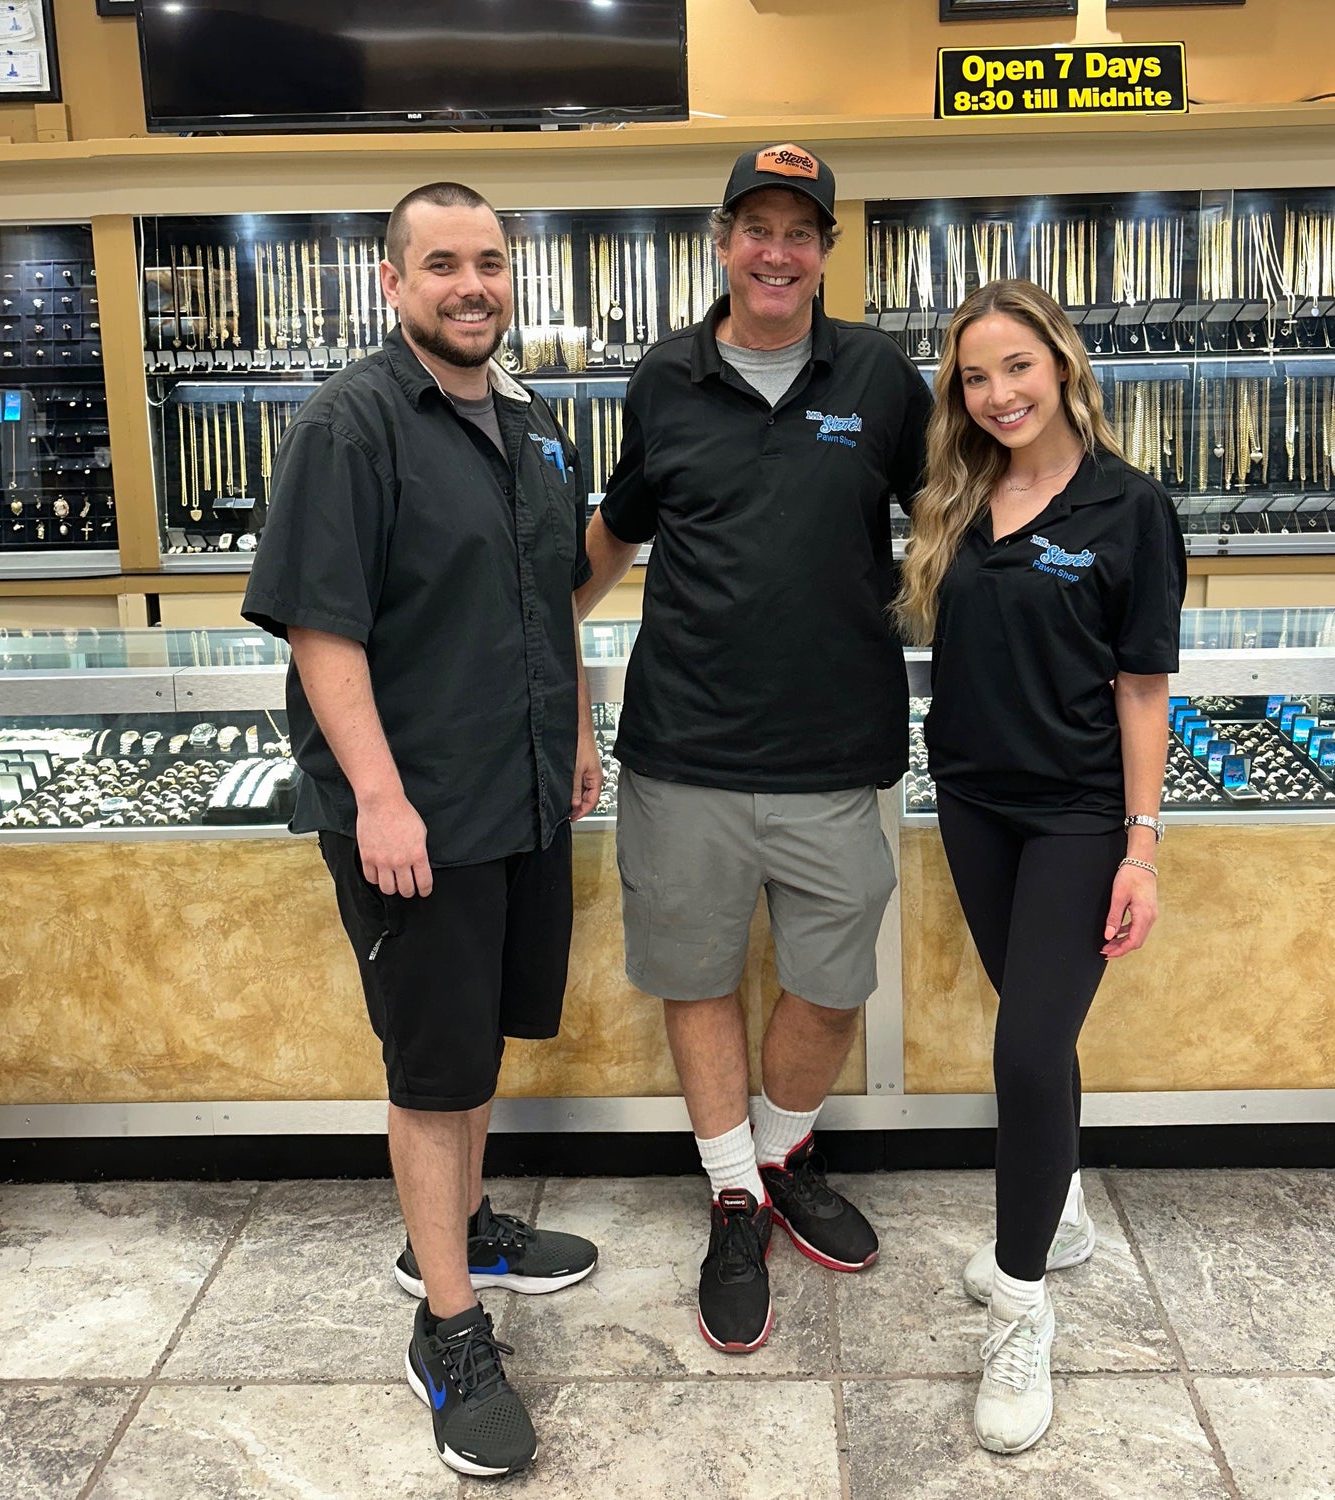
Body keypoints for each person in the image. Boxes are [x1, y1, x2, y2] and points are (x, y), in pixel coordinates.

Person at [241, 181, 602, 1480]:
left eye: (491, 263)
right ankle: (447, 1323)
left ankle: (454, 1224)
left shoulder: (531, 421)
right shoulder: (353, 426)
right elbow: (324, 629)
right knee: (430, 1069)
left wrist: (574, 728)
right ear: (394, 284)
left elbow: (555, 591)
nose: (472, 286)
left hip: (516, 796)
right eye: (441, 264)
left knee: (478, 1043)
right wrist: (382, 796)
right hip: (418, 814)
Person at [576, 144, 933, 1353]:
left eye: (800, 231)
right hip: (684, 752)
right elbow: (618, 530)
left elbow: (957, 519)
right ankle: (734, 1192)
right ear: (723, 241)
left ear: (826, 251)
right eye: (756, 228)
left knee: (832, 986)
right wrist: (526, 641)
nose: (776, 252)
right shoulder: (663, 379)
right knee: (698, 978)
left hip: (838, 756)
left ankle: (778, 1151)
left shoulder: (881, 376)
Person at [895, 279, 1184, 1455]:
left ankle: (1023, 1309)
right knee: (1036, 1028)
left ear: (1061, 365)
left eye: (1018, 366)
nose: (999, 393)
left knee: (1021, 1050)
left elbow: (1142, 688)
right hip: (972, 801)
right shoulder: (959, 500)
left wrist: (1142, 848)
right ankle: (1057, 1215)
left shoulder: (1129, 508)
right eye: (975, 376)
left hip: (1076, 818)